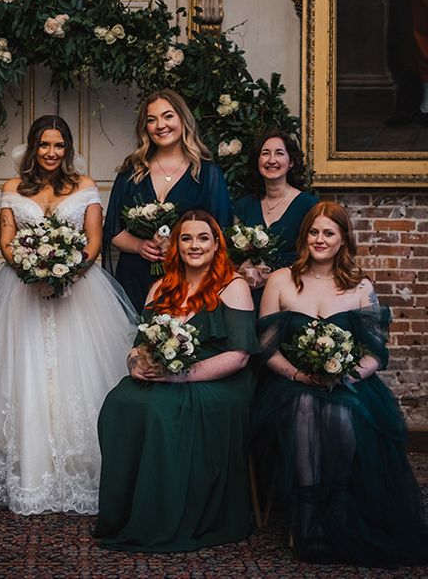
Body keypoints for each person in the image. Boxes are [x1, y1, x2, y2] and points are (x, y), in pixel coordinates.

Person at [0, 115, 137, 515]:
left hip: (79, 290)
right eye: (44, 145)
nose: (51, 152)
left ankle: (83, 467)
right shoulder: (13, 188)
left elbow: (95, 242)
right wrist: (34, 271)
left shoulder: (85, 186)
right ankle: (30, 468)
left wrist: (65, 271)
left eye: (58, 145)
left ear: (68, 149)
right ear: (32, 148)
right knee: (26, 372)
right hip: (22, 292)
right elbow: (8, 243)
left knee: (75, 372)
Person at [251, 201, 428, 565]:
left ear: (342, 239)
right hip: (290, 381)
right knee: (304, 405)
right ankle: (308, 516)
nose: (319, 239)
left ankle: (341, 507)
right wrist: (301, 375)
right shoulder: (281, 280)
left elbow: (375, 353)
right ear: (305, 237)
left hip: (347, 381)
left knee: (343, 412)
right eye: (314, 232)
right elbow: (266, 349)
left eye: (328, 233)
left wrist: (344, 375)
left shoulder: (360, 287)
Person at [95, 210, 258, 552]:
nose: (194, 245)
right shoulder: (160, 287)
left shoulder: (233, 286)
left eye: (203, 238)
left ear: (217, 245)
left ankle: (164, 516)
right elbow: (139, 345)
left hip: (218, 383)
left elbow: (239, 356)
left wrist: (180, 376)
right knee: (120, 400)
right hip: (165, 376)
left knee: (158, 409)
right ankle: (127, 513)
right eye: (186, 238)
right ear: (176, 245)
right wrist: (136, 364)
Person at [103, 89, 234, 313]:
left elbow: (221, 230)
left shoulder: (206, 173)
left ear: (183, 119)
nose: (160, 125)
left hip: (188, 277)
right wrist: (140, 246)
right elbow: (113, 230)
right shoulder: (132, 172)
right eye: (151, 120)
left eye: (168, 116)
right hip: (136, 275)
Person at [233, 129, 317, 306]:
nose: (272, 160)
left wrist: (271, 278)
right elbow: (231, 257)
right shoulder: (244, 206)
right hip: (248, 296)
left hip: (293, 294)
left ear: (291, 162)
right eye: (265, 154)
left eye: (279, 153)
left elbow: (315, 257)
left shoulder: (308, 205)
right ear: (258, 161)